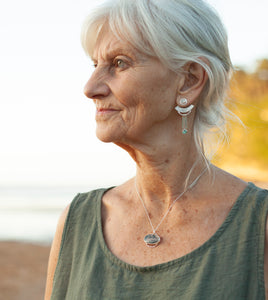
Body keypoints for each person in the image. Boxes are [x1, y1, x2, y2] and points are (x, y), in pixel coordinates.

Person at [45, 0, 268, 299]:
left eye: (119, 63)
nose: (90, 87)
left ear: (189, 80)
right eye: (95, 65)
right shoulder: (77, 222)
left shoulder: (259, 227)